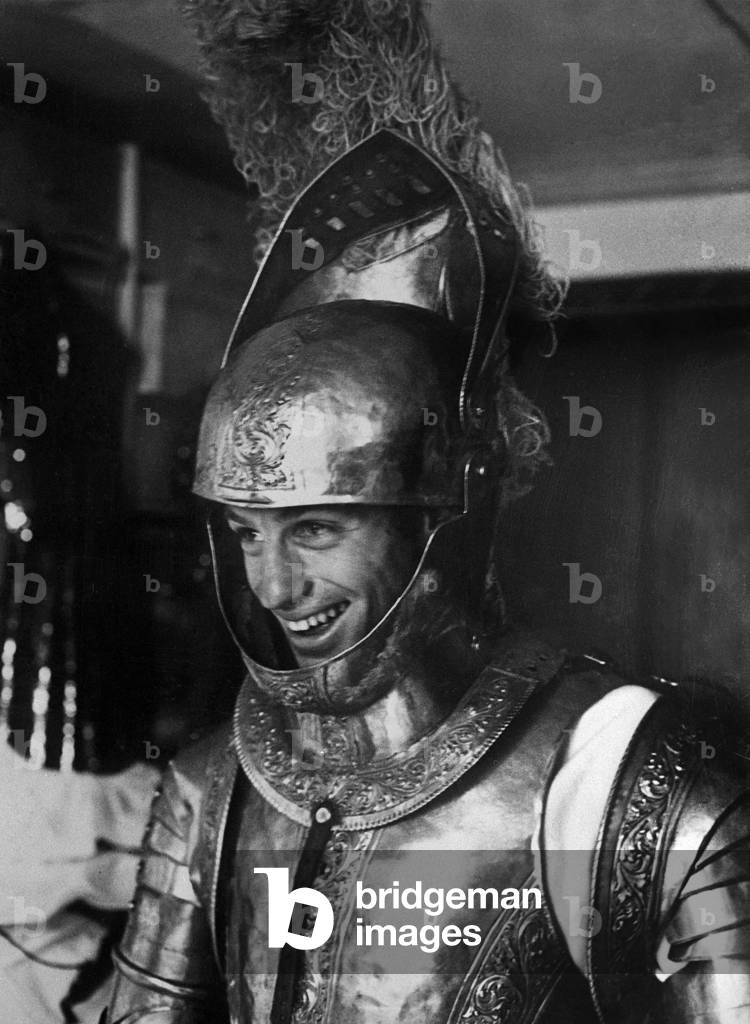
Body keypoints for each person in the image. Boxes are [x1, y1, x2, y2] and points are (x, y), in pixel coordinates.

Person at [104, 120, 750, 1024]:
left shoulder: (637, 780)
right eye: (246, 532)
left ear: (445, 512)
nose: (273, 588)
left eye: (316, 529)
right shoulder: (213, 788)